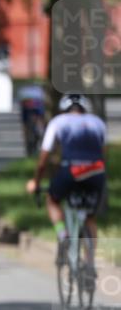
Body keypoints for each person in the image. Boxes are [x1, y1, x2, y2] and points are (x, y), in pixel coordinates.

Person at [26, 94, 106, 276]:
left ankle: (63, 236)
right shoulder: (98, 123)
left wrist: (36, 181)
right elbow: (104, 153)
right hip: (96, 171)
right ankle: (90, 263)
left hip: (71, 170)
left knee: (52, 200)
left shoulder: (58, 122)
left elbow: (44, 156)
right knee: (90, 217)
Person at [17, 83, 47, 156]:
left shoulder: (33, 97)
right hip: (30, 114)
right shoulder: (36, 95)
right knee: (28, 128)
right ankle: (30, 141)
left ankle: (36, 135)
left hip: (34, 113)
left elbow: (41, 115)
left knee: (36, 127)